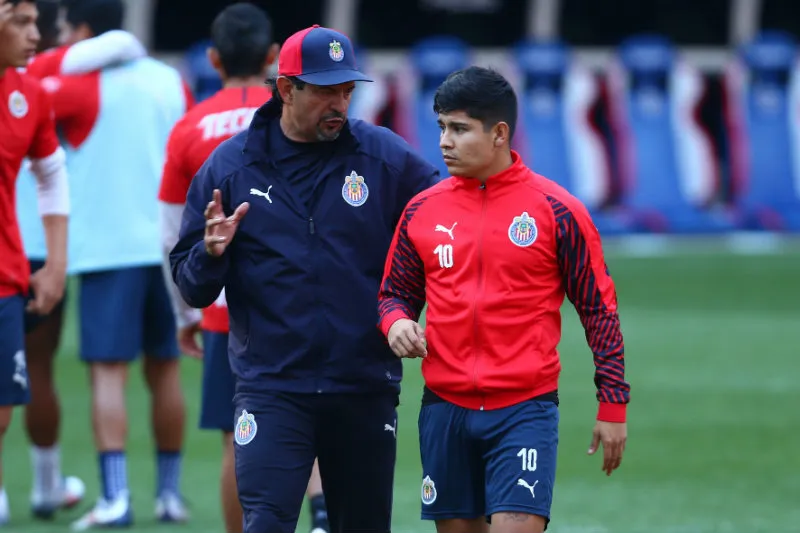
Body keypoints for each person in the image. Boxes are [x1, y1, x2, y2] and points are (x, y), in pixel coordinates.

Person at [170, 24, 440, 533]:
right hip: (272, 388)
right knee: (268, 523)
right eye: (324, 91)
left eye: (346, 90)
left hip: (363, 386)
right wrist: (211, 254)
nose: (339, 103)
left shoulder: (384, 157)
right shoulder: (230, 169)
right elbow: (190, 285)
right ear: (286, 88)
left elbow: (446, 221)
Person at [377, 66, 631, 533]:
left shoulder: (557, 211)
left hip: (524, 410)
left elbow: (599, 311)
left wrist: (612, 405)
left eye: (459, 129)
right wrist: (395, 322)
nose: (444, 143)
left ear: (499, 133)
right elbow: (395, 293)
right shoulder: (422, 210)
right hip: (444, 409)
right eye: (440, 128)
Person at [158, 5, 330, 533]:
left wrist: (185, 311)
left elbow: (172, 233)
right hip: (303, 301)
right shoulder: (300, 110)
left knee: (242, 435)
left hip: (226, 310)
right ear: (274, 57)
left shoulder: (189, 127)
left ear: (212, 59)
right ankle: (324, 511)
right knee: (316, 419)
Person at [22, 0, 194, 529]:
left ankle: (116, 498)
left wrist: (75, 54)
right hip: (168, 247)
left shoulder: (75, 85)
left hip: (107, 252)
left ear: (84, 32)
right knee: (166, 371)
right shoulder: (170, 78)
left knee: (108, 376)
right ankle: (169, 496)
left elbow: (33, 78)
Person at [15, 0, 146, 519]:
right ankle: (43, 485)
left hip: (29, 247)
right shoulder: (50, 80)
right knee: (38, 368)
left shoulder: (33, 80)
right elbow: (126, 43)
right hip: (41, 248)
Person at [0, 0, 69, 525]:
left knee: (2, 413)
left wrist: (55, 261)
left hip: (6, 277)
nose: (36, 34)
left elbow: (50, 174)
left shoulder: (28, 94)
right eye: (20, 22)